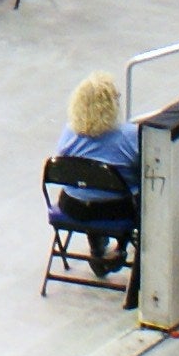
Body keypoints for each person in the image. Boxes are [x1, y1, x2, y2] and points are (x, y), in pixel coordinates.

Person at [51, 75, 144, 275]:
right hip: (117, 211)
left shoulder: (69, 133)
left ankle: (97, 245)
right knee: (139, 194)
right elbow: (143, 171)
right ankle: (121, 245)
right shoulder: (130, 135)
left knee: (89, 186)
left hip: (73, 207)